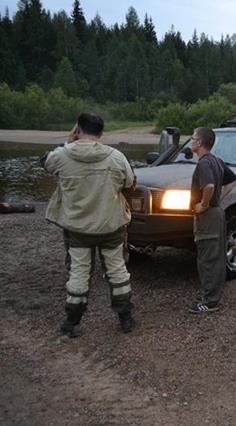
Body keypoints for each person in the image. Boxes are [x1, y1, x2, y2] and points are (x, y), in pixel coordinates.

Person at [43, 113, 136, 336]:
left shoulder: (61, 155)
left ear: (78, 129)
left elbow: (45, 163)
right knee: (117, 271)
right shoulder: (116, 157)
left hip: (77, 229)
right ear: (101, 133)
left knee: (79, 273)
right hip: (110, 226)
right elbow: (130, 183)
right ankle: (125, 319)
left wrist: (69, 141)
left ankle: (71, 323)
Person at [189, 127, 236, 313]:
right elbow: (232, 180)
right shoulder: (216, 161)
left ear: (199, 143)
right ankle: (211, 296)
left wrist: (204, 204)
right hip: (216, 212)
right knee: (214, 256)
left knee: (208, 258)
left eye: (193, 138)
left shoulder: (204, 163)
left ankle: (209, 302)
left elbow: (208, 185)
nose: (191, 140)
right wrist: (219, 199)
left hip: (208, 215)